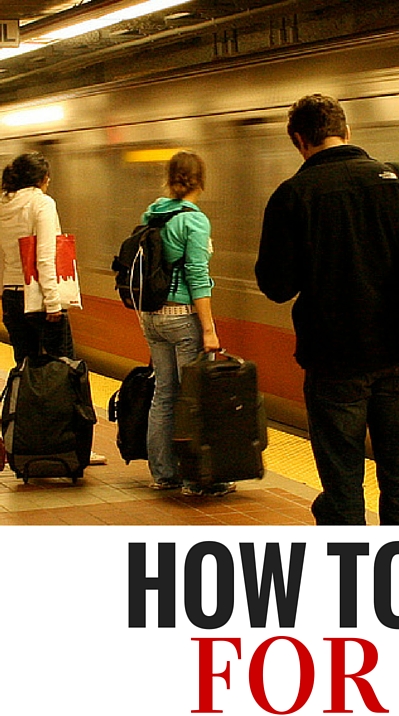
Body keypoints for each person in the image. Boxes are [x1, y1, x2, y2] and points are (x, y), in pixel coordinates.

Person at [255, 93, 399, 525]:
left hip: (334, 362)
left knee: (344, 486)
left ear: (299, 140)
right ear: (346, 131)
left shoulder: (293, 195)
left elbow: (276, 286)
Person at [139, 150, 234, 497]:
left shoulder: (154, 213)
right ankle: (198, 477)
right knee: (195, 398)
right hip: (182, 319)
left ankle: (164, 474)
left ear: (170, 178)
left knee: (164, 394)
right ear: (200, 181)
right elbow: (197, 274)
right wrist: (209, 328)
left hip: (151, 318)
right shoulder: (193, 219)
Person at [0, 152, 106, 465]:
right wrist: (52, 302)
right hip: (39, 299)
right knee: (66, 372)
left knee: (28, 373)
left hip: (12, 298)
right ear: (42, 179)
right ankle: (74, 446)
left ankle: (28, 442)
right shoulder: (42, 203)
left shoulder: (5, 205)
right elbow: (45, 257)